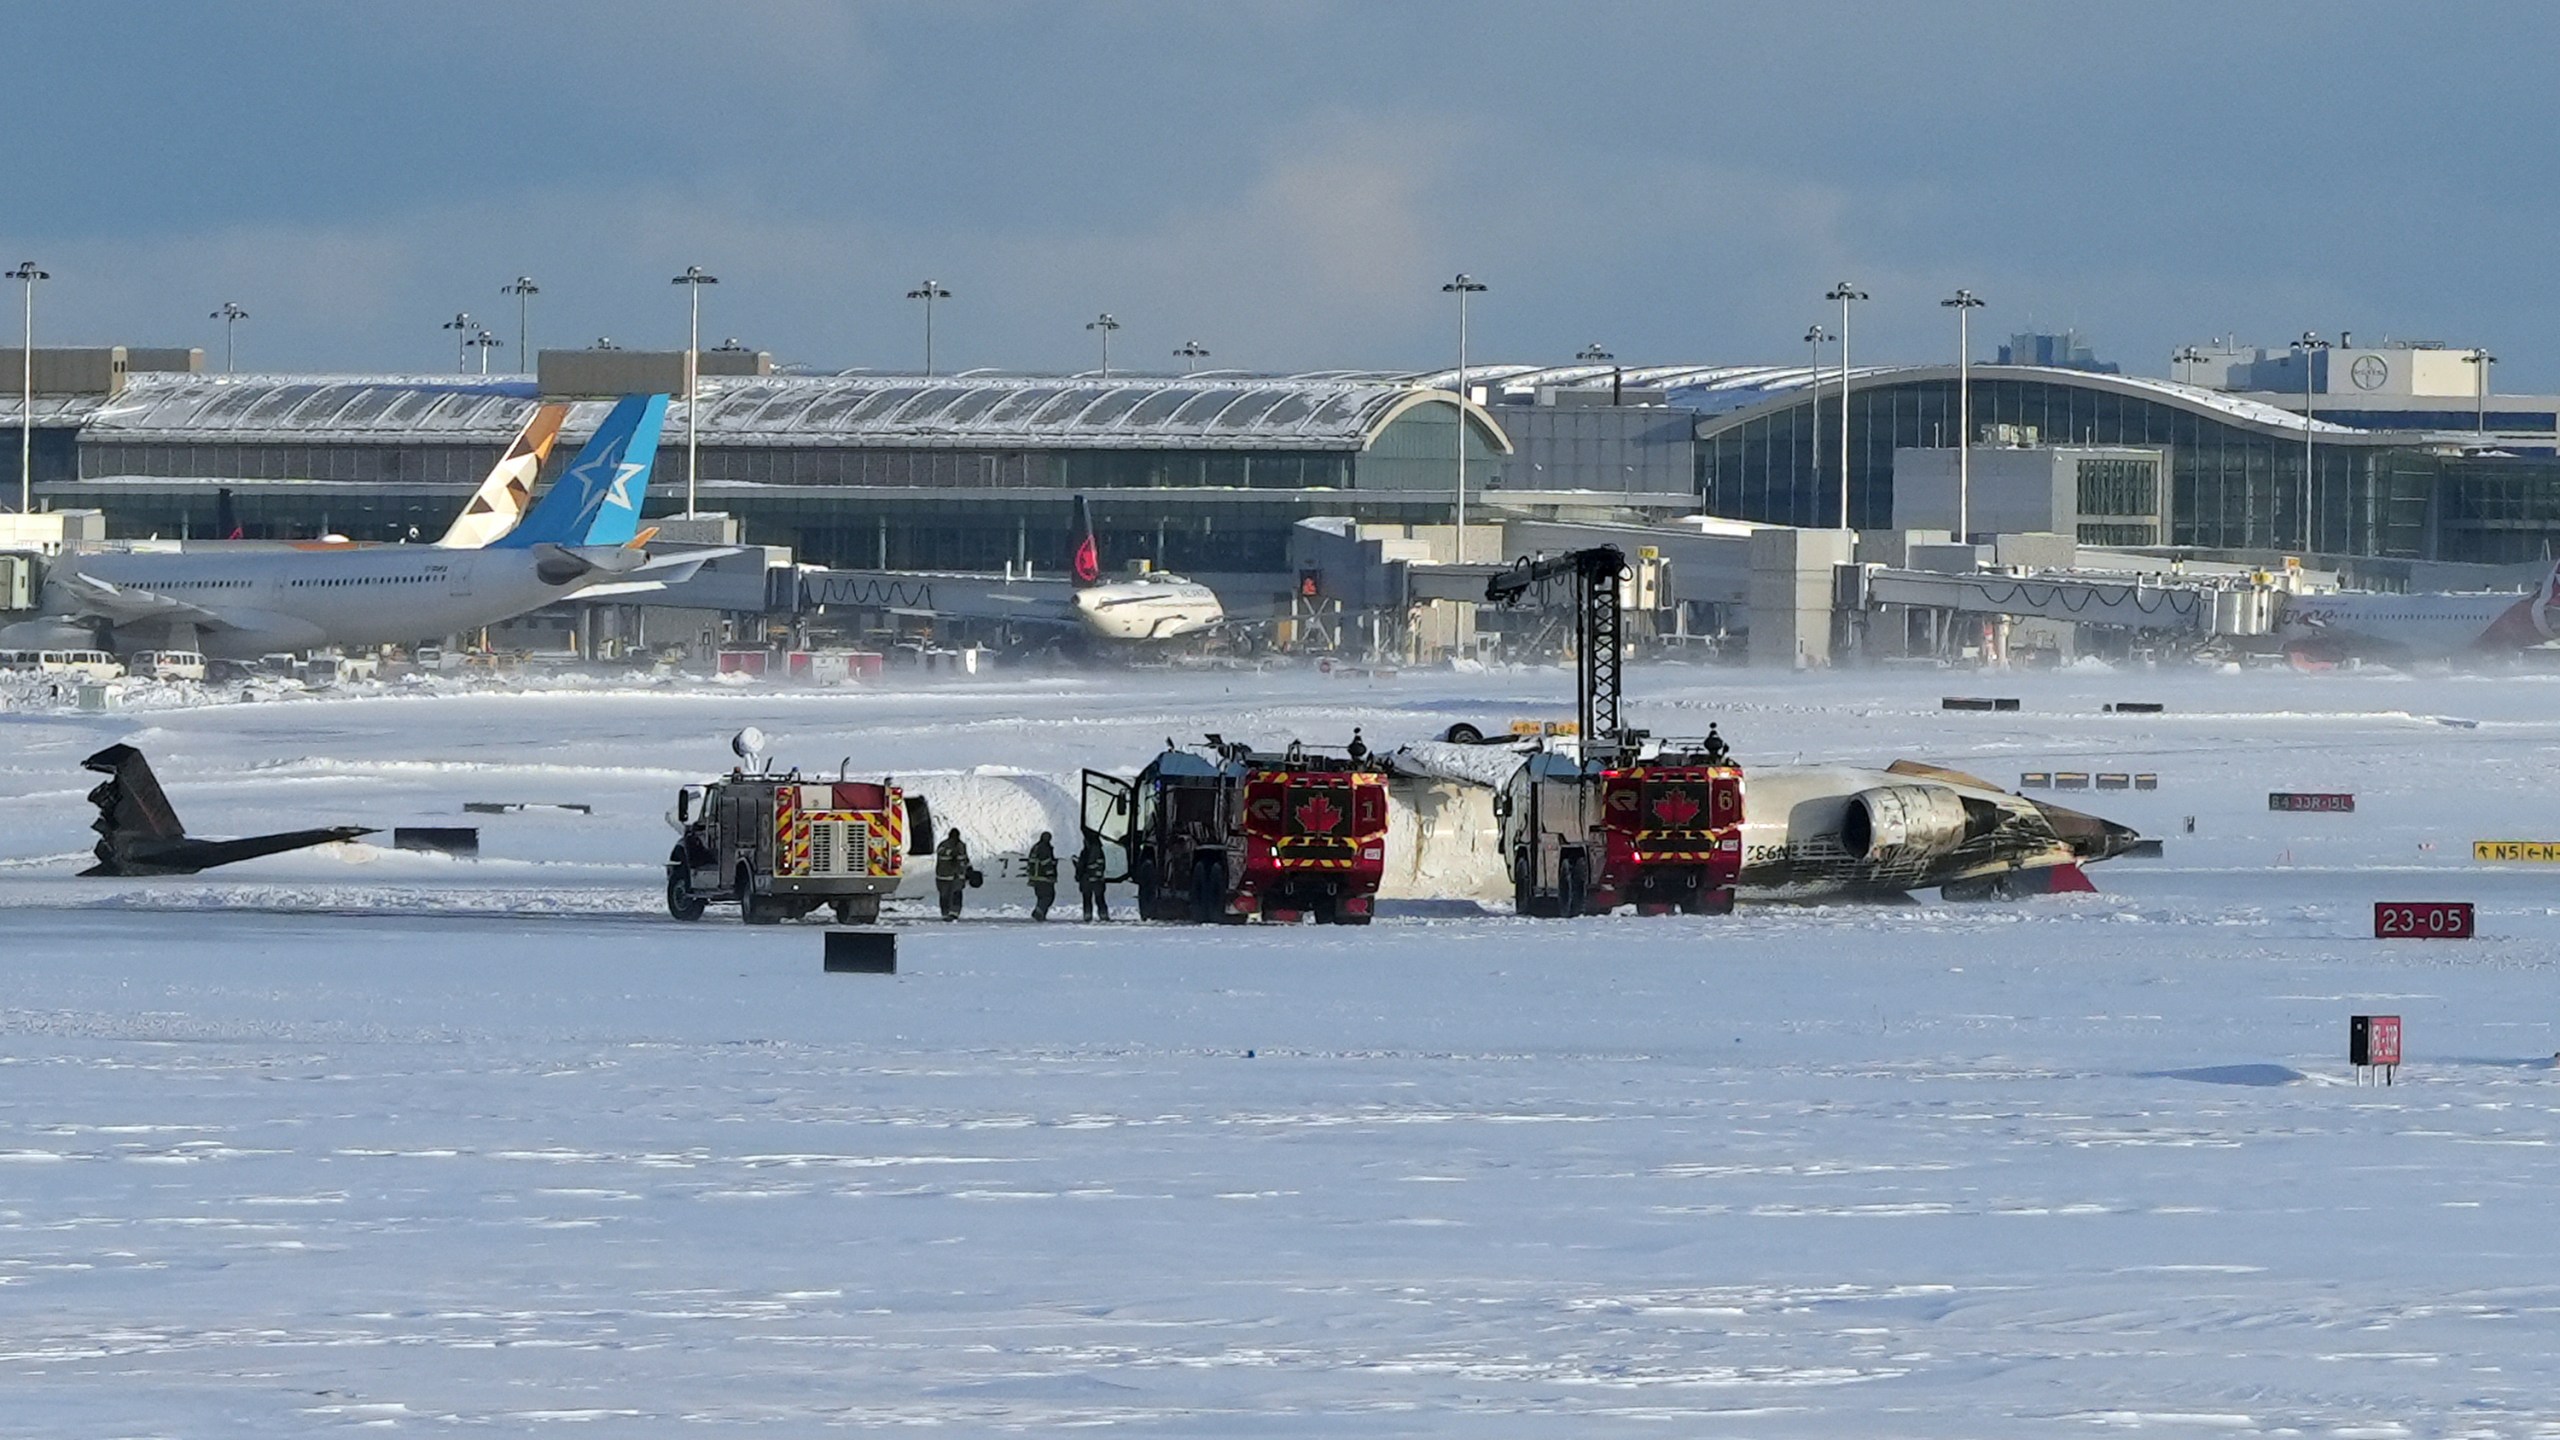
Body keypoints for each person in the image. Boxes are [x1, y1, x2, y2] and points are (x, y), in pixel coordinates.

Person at [934, 826, 971, 921]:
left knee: (947, 895)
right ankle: (951, 913)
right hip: (950, 876)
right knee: (952, 895)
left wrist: (968, 870)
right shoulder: (949, 846)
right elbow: (963, 860)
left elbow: (964, 859)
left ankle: (949, 913)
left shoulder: (945, 845)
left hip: (948, 877)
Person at [1074, 831, 1111, 922]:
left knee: (1087, 898)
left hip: (1086, 880)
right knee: (1100, 898)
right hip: (1097, 880)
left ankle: (1087, 915)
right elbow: (1101, 865)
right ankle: (1103, 915)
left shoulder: (1085, 852)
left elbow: (1082, 865)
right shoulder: (1099, 851)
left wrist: (1078, 873)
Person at [1024, 830, 1059, 921]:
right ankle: (1038, 913)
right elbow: (1046, 862)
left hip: (1035, 878)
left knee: (1041, 896)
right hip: (1044, 877)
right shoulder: (1044, 848)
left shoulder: (1036, 847)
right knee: (1048, 896)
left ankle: (1041, 914)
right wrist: (1051, 874)